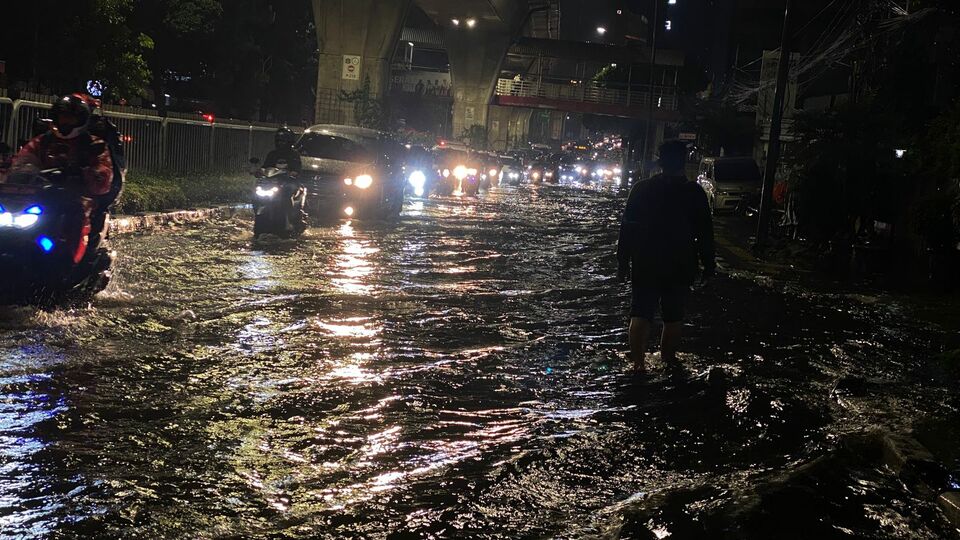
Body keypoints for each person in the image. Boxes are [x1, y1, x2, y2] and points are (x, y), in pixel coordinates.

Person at [616, 140, 715, 372]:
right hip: (680, 263)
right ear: (683, 162)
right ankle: (668, 361)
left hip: (645, 260)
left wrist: (622, 262)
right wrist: (709, 266)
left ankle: (638, 364)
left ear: (659, 162)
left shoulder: (641, 189)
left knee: (640, 312)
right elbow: (705, 234)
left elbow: (627, 228)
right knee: (673, 317)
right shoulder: (694, 193)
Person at [7, 93, 112, 197]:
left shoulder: (93, 144)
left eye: (70, 117)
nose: (65, 121)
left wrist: (86, 173)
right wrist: (17, 170)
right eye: (62, 117)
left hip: (79, 199)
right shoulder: (43, 141)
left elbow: (103, 182)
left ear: (81, 119)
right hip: (41, 197)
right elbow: (22, 160)